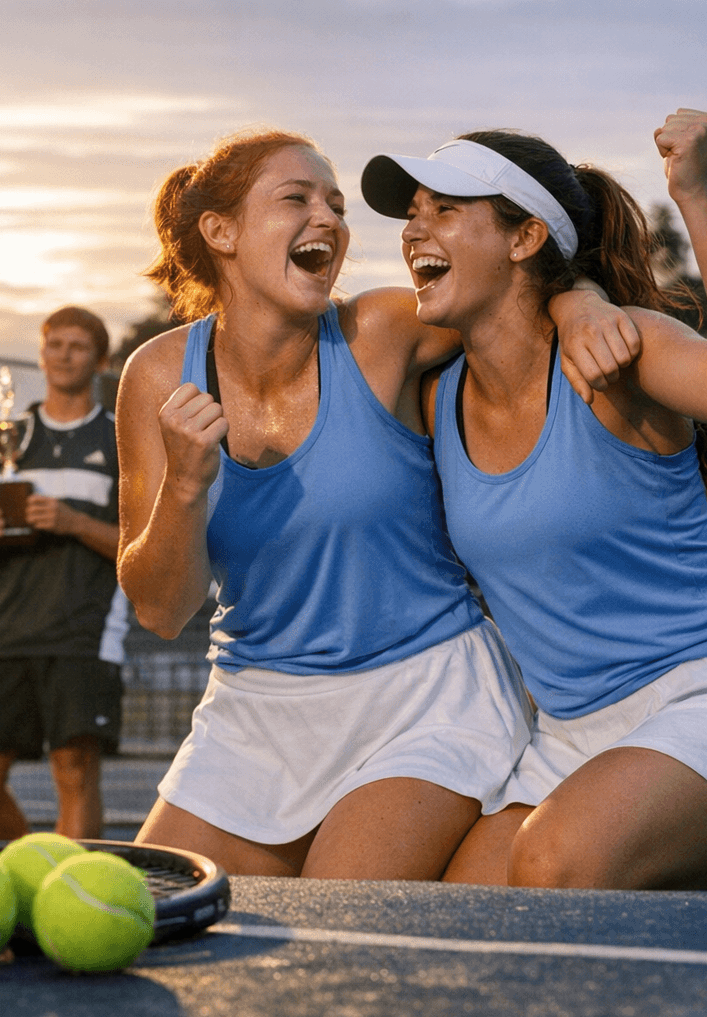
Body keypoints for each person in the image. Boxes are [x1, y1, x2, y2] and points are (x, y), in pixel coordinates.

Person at [117, 127, 639, 879]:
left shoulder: (384, 330)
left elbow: (507, 290)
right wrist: (186, 487)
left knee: (340, 932)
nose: (328, 218)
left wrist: (581, 301)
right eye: (296, 198)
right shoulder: (157, 374)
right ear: (220, 232)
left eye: (334, 204)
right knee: (154, 914)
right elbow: (161, 610)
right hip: (254, 711)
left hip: (426, 697)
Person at [360, 108, 707, 889]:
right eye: (412, 214)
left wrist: (696, 195)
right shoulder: (438, 402)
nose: (414, 229)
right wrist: (575, 296)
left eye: (444, 209)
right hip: (576, 732)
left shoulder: (621, 356)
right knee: (458, 921)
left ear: (525, 236)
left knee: (555, 861)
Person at [0, 306, 126, 840]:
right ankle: (28, 876)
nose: (63, 355)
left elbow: (143, 547)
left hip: (82, 630)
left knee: (73, 774)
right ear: (42, 353)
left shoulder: (123, 441)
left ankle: (69, 903)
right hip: (2, 632)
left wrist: (73, 522)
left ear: (100, 359)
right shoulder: (5, 438)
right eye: (54, 344)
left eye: (77, 346)